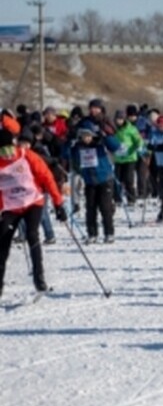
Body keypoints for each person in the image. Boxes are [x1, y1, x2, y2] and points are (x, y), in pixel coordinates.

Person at [0, 129, 66, 296]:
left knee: (32, 234)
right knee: (2, 240)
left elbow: (46, 177)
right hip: (11, 206)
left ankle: (39, 278)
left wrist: (58, 204)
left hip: (32, 202)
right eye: (2, 151)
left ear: (14, 145)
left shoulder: (27, 156)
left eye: (8, 149)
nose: (7, 154)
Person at [71, 122, 121, 243]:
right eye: (84, 136)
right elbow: (72, 159)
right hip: (89, 182)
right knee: (90, 208)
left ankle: (109, 233)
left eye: (89, 136)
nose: (86, 139)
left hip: (105, 180)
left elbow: (115, 146)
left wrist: (106, 136)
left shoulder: (100, 144)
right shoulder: (77, 147)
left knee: (105, 208)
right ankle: (92, 234)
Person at [112, 108, 144, 205]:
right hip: (118, 158)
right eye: (117, 119)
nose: (119, 121)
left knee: (128, 179)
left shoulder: (131, 129)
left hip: (130, 158)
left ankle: (131, 199)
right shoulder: (113, 129)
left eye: (121, 119)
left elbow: (138, 139)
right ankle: (117, 199)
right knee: (117, 180)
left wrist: (139, 146)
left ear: (124, 119)